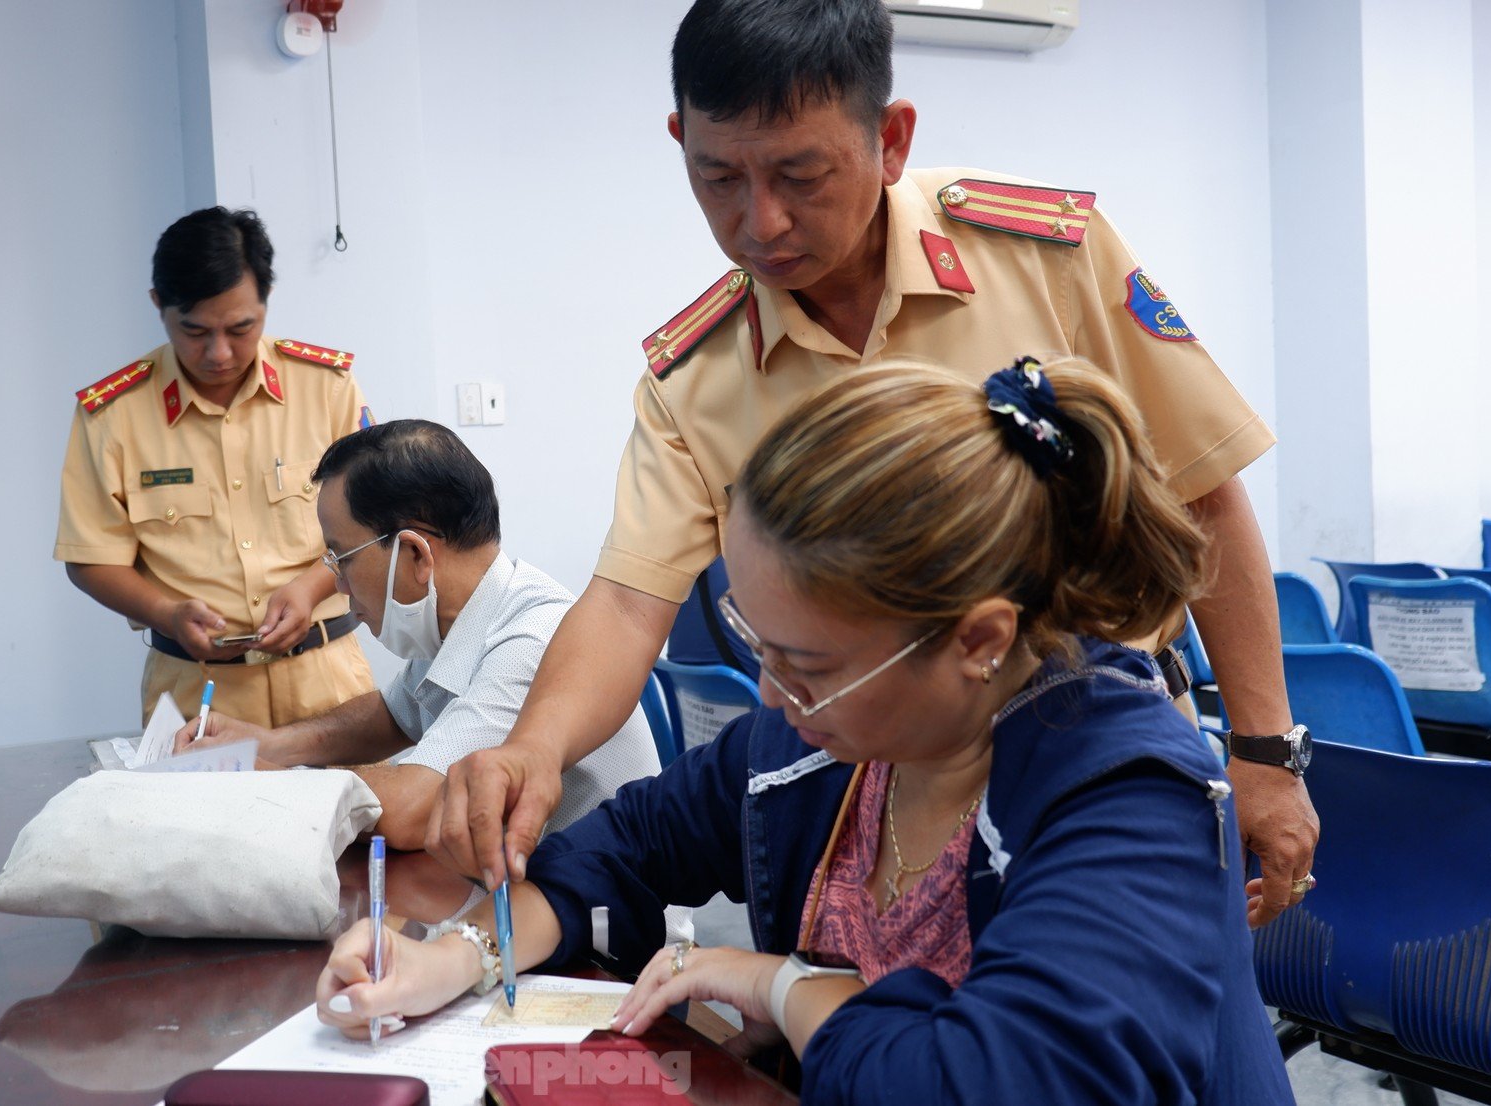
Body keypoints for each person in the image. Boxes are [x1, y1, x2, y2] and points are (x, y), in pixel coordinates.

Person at [432, 0, 1318, 927]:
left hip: (1084, 761)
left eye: (800, 175)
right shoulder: (696, 375)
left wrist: (1264, 751)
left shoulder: (1044, 259)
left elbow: (1203, 493)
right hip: (879, 796)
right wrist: (533, 749)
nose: (758, 221)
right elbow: (624, 602)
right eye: (718, 177)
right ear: (679, 145)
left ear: (891, 141)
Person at [319, 358, 1298, 1105]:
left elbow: (984, 1082)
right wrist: (456, 956)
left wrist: (780, 984)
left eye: (809, 663)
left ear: (977, 640)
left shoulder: (1129, 795)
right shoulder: (836, 740)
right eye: (755, 639)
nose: (771, 696)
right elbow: (623, 843)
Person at [173, 420, 659, 853]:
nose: (338, 587)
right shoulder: (465, 613)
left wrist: (252, 775)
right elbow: (393, 714)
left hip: (611, 941)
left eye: (341, 559)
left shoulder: (532, 641)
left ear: (416, 556)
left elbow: (412, 808)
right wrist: (268, 744)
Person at [55, 207, 376, 727]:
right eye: (195, 330)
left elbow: (376, 522)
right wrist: (167, 614)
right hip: (195, 694)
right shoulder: (114, 415)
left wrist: (313, 585)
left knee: (351, 809)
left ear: (265, 306)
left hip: (328, 679)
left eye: (240, 328)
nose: (219, 352)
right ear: (159, 305)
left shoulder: (327, 389)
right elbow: (91, 557)